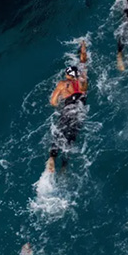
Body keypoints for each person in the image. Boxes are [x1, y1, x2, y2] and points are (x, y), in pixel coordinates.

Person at [45, 41, 88, 174]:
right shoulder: (83, 81)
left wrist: (58, 103)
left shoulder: (63, 84)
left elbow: (53, 102)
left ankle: (52, 158)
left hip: (68, 109)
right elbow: (83, 60)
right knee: (71, 138)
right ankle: (64, 166)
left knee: (59, 134)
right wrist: (83, 46)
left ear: (68, 75)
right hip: (79, 110)